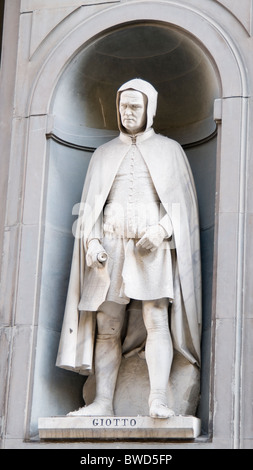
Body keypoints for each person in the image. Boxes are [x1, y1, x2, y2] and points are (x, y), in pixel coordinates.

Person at [56, 78, 202, 419]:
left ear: (149, 109)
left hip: (152, 247)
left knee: (155, 318)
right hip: (110, 243)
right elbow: (91, 206)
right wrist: (91, 243)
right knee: (107, 325)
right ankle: (103, 401)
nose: (128, 112)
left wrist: (162, 229)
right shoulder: (103, 153)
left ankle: (159, 398)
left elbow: (181, 206)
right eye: (123, 106)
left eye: (135, 106)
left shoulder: (169, 150)